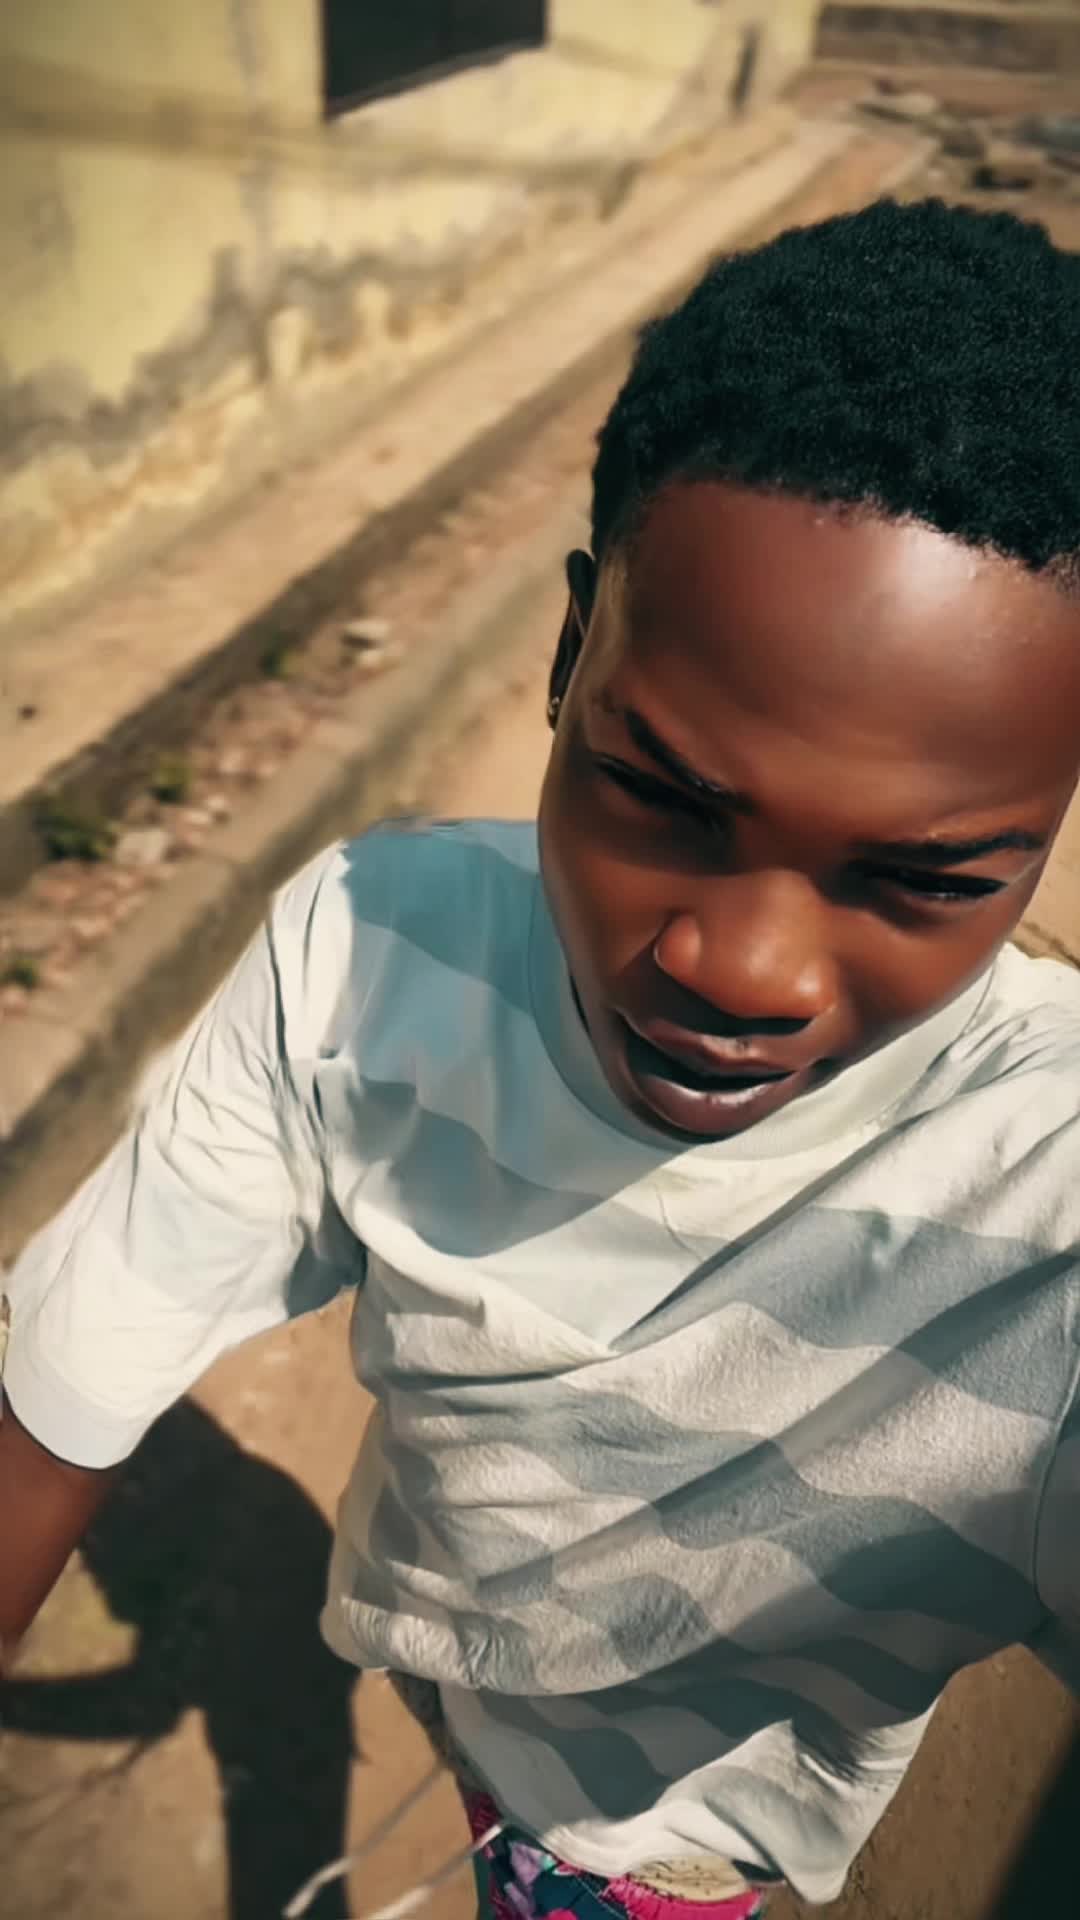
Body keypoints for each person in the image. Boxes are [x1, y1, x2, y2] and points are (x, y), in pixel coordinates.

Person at [4, 194, 1080, 1920]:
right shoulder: (368, 946)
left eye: (925, 879)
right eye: (661, 793)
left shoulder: (1049, 1209)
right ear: (573, 650)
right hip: (445, 1667)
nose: (740, 968)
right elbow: (55, 1387)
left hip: (644, 1867)